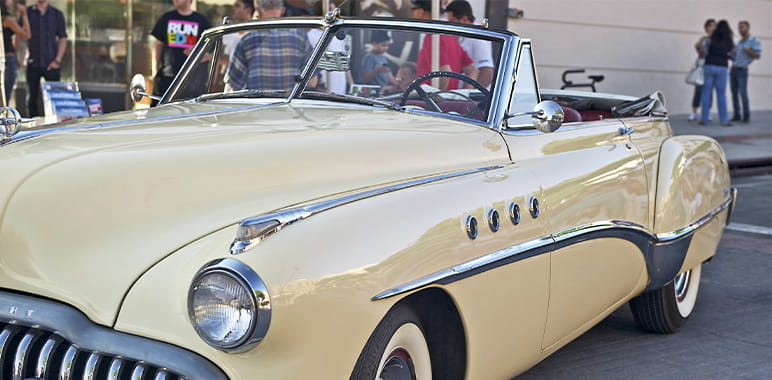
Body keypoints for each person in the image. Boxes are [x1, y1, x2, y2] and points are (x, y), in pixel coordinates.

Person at [225, 0, 310, 91]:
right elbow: (312, 80)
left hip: (259, 104)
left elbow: (233, 86)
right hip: (291, 103)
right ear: (282, 11)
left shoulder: (247, 40)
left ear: (258, 11)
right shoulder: (300, 37)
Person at [410, 0, 477, 90]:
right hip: (448, 101)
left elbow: (444, 73)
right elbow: (472, 70)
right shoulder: (450, 36)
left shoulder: (433, 36)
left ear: (420, 11)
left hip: (427, 101)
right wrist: (464, 97)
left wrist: (436, 100)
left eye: (413, 9)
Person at [151, 0, 212, 100]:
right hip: (167, 77)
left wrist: (198, 50)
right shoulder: (166, 18)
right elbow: (158, 45)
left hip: (192, 80)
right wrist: (155, 71)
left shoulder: (202, 20)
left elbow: (210, 49)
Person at [26, 0, 66, 117]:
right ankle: (34, 128)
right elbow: (21, 35)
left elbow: (62, 38)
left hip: (51, 62)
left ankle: (55, 125)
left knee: (55, 98)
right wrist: (21, 56)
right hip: (33, 62)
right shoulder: (28, 13)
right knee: (32, 99)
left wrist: (57, 60)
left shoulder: (56, 14)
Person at [444, 0, 494, 89]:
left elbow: (487, 73)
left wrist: (468, 95)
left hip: (471, 99)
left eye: (452, 21)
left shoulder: (478, 38)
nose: (450, 26)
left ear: (464, 19)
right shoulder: (462, 36)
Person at [699, 20, 734, 126]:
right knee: (721, 95)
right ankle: (724, 120)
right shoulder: (729, 42)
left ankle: (704, 119)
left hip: (709, 66)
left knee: (706, 93)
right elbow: (734, 56)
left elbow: (703, 52)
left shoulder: (709, 40)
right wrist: (726, 56)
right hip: (722, 68)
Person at [730, 21, 761, 123]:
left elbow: (758, 55)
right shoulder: (739, 42)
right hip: (734, 68)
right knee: (734, 93)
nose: (740, 29)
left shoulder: (753, 41)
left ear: (748, 28)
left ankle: (746, 115)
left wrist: (748, 50)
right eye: (739, 28)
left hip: (742, 70)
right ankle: (736, 114)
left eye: (742, 27)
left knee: (743, 93)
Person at [2, 0, 29, 105]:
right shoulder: (7, 19)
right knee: (5, 96)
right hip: (8, 58)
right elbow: (27, 34)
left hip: (7, 57)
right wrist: (24, 14)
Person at [689, 18, 715, 121]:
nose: (713, 27)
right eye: (710, 25)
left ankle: (707, 112)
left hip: (711, 66)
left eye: (714, 25)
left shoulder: (717, 40)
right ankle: (694, 112)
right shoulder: (703, 39)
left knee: (710, 90)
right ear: (707, 28)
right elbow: (699, 50)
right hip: (702, 66)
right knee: (698, 90)